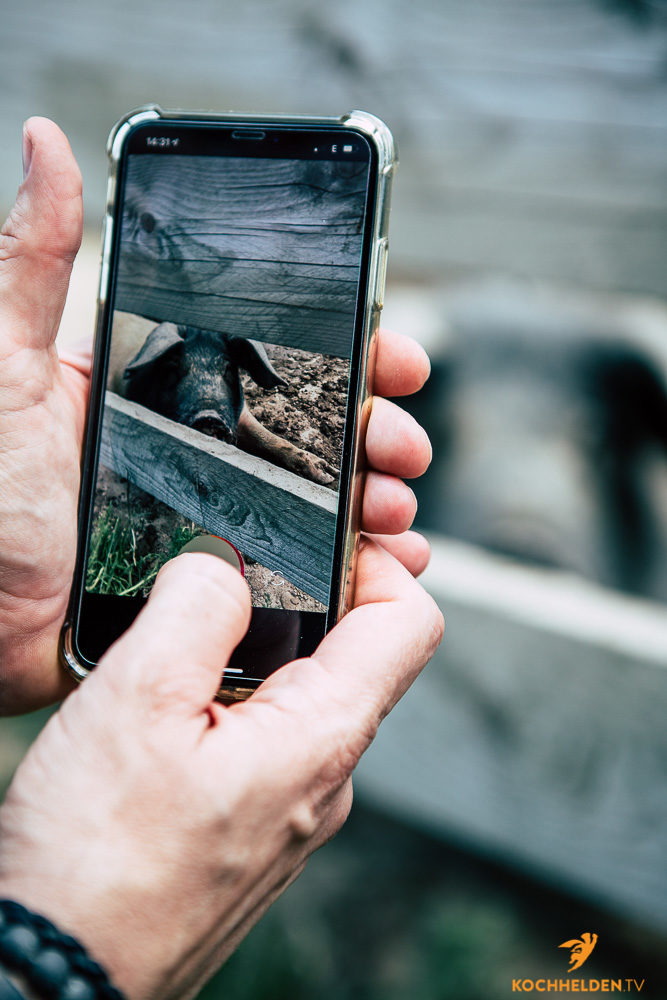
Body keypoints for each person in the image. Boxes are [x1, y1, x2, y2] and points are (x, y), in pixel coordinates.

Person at [0, 118, 444, 1000]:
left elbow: (234, 417)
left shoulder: (221, 368)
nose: (213, 380)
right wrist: (85, 937)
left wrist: (285, 461)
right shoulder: (142, 376)